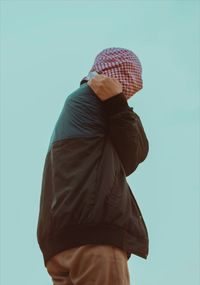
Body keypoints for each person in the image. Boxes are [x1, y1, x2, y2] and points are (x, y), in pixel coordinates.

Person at [37, 47, 149, 285]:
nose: (136, 86)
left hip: (60, 243)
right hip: (93, 237)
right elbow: (132, 154)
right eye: (132, 78)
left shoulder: (75, 104)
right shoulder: (96, 101)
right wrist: (117, 104)